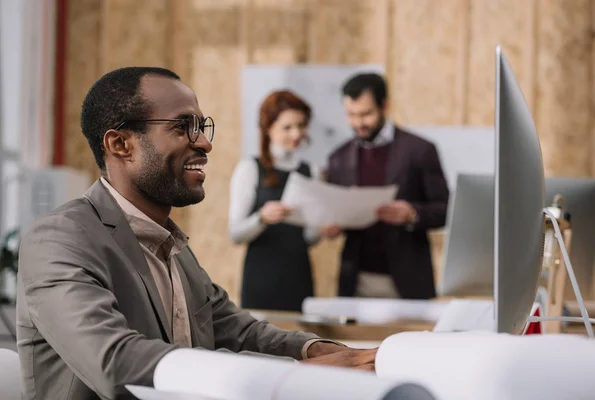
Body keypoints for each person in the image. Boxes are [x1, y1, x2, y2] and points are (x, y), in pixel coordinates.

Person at [16, 67, 376, 400]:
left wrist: (314, 350)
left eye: (202, 127)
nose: (204, 143)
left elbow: (236, 329)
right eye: (182, 126)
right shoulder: (59, 239)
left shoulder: (173, 244)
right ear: (120, 145)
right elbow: (113, 362)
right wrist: (296, 371)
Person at [321, 73, 449, 299]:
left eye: (366, 114)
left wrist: (412, 214)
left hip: (408, 280)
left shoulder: (420, 150)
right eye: (351, 115)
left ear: (385, 106)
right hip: (356, 281)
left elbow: (447, 210)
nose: (358, 123)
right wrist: (331, 226)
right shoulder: (338, 158)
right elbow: (332, 211)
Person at [229, 90, 319, 312]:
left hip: (299, 274)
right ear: (268, 128)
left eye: (301, 125)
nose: (296, 133)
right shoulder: (250, 169)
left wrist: (321, 228)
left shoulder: (311, 171)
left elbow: (308, 238)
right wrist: (262, 217)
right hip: (262, 277)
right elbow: (235, 233)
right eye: (287, 127)